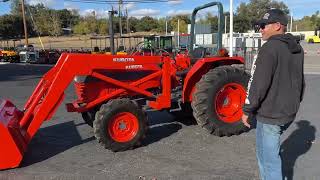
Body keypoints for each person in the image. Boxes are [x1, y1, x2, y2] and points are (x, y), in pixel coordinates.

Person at [241, 9, 305, 180]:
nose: (260, 29)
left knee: (268, 160)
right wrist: (296, 101)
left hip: (270, 114)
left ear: (277, 26)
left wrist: (247, 110)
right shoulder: (296, 47)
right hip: (288, 111)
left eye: (263, 25)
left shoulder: (269, 48)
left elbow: (258, 83)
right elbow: (300, 80)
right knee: (270, 158)